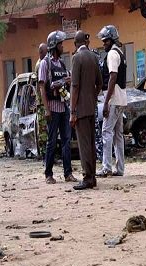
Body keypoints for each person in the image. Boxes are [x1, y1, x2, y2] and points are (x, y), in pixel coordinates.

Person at [38, 30, 76, 184]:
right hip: (52, 108)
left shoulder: (61, 63)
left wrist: (67, 80)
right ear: (54, 45)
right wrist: (46, 109)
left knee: (67, 140)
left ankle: (68, 173)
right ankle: (48, 174)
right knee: (52, 141)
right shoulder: (45, 64)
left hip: (63, 107)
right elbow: (42, 87)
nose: (63, 46)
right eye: (61, 44)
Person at [69, 30, 103, 190]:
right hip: (91, 106)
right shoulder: (93, 57)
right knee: (91, 142)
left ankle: (87, 177)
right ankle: (93, 176)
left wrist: (72, 110)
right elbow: (100, 83)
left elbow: (74, 86)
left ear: (76, 43)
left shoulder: (77, 58)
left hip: (81, 108)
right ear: (86, 42)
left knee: (83, 145)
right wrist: (93, 97)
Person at [97, 25, 127, 177]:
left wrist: (106, 101)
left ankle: (106, 167)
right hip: (122, 99)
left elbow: (113, 77)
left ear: (111, 39)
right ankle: (120, 168)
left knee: (106, 132)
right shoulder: (120, 53)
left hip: (114, 99)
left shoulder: (112, 55)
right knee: (118, 135)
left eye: (105, 41)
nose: (104, 44)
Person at [34, 42, 49, 157]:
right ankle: (44, 153)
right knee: (43, 130)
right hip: (42, 102)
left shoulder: (43, 63)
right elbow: (42, 85)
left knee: (47, 129)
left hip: (44, 101)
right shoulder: (40, 65)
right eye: (46, 51)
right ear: (41, 52)